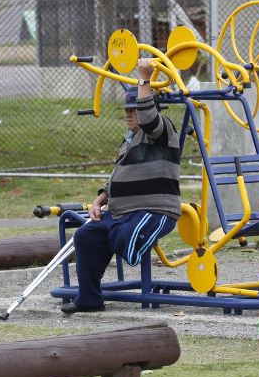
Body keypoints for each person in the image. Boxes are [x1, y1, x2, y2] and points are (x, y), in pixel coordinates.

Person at [62, 58, 181, 313]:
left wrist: (144, 78)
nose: (128, 113)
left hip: (154, 210)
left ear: (149, 108)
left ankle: (129, 246)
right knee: (85, 235)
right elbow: (117, 176)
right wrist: (99, 200)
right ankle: (89, 299)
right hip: (122, 211)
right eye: (126, 109)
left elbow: (150, 118)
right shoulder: (130, 138)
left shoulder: (162, 131)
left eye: (134, 109)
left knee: (122, 237)